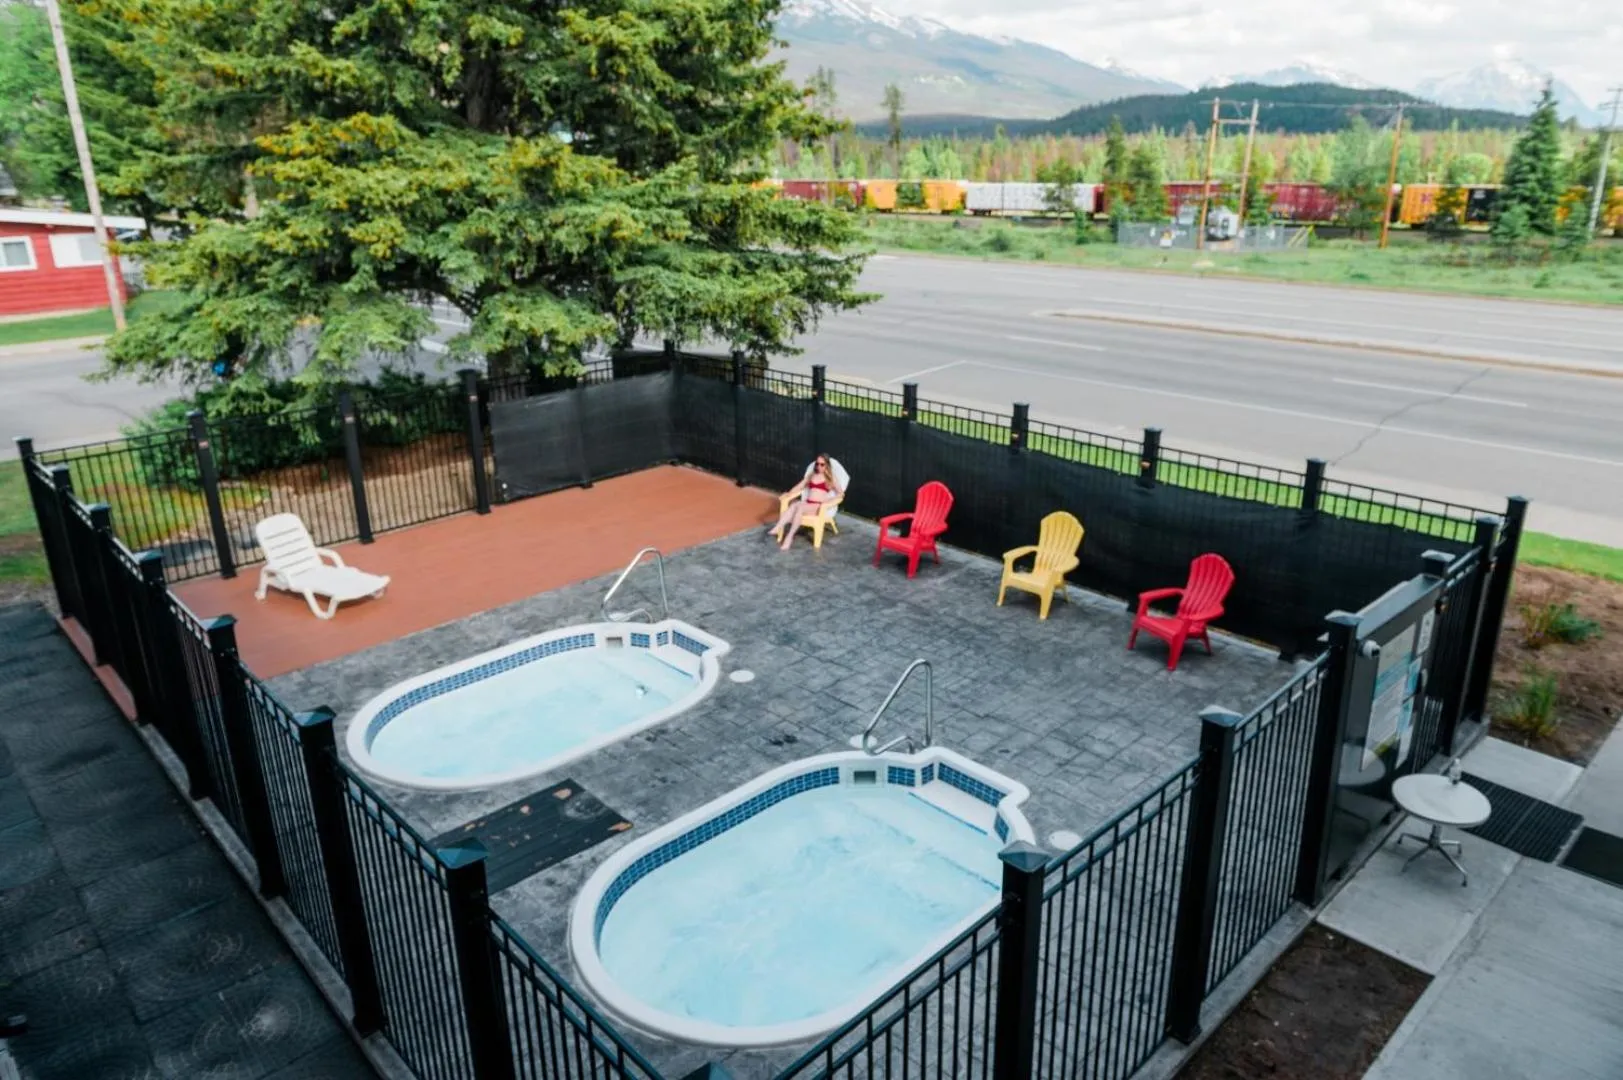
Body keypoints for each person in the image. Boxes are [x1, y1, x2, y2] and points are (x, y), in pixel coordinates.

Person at [769, 454, 843, 551]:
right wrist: (788, 493)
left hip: (818, 506)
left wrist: (829, 501)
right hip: (808, 503)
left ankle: (789, 537)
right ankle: (778, 526)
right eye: (817, 464)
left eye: (822, 464)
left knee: (799, 508)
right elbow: (799, 486)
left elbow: (841, 494)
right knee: (794, 505)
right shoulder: (812, 475)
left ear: (827, 465)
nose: (819, 466)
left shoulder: (830, 478)